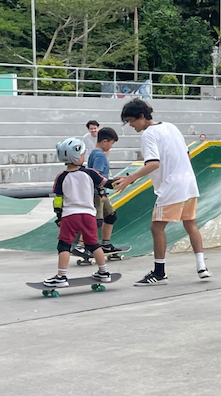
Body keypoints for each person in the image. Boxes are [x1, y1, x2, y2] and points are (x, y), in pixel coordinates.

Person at [111, 100, 209, 285]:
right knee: (190, 224)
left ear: (141, 116)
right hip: (189, 183)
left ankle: (159, 272)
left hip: (171, 187)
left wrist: (130, 178)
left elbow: (153, 163)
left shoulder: (148, 134)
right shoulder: (171, 127)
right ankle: (201, 265)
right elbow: (186, 154)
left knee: (157, 227)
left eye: (132, 121)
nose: (131, 126)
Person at [43, 138, 110, 287]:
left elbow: (58, 200)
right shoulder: (90, 173)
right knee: (93, 244)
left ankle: (61, 277)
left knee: (64, 245)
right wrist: (123, 180)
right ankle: (104, 272)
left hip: (70, 215)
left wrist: (59, 216)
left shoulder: (61, 177)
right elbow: (107, 182)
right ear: (77, 156)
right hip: (88, 215)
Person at [86, 127, 123, 255]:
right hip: (97, 194)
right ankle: (82, 246)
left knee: (111, 216)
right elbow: (95, 175)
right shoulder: (100, 155)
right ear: (104, 141)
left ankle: (105, 245)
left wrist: (111, 181)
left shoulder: (94, 153)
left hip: (100, 192)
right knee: (96, 221)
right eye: (111, 143)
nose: (111, 147)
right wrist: (102, 191)